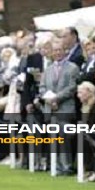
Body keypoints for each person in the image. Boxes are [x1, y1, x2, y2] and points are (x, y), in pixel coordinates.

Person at [37, 41, 79, 174]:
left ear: (65, 51)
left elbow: (72, 87)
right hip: (50, 107)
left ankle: (67, 166)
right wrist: (48, 99)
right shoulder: (48, 69)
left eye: (60, 50)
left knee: (64, 137)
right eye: (55, 50)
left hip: (65, 107)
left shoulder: (73, 67)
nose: (57, 53)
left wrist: (57, 98)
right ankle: (56, 165)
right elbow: (42, 87)